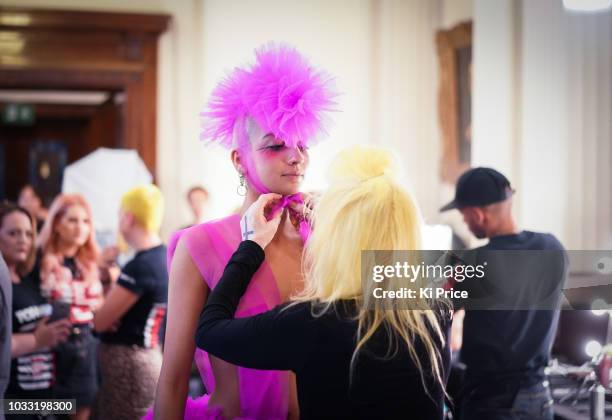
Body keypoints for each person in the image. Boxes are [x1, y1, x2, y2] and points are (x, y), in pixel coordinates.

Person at [196, 146, 452, 419]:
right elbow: (476, 273)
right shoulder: (435, 311)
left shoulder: (314, 322)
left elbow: (210, 330)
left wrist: (251, 245)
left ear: (336, 239)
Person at [151, 43, 337, 419]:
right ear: (240, 158)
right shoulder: (201, 243)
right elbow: (172, 379)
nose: (295, 156)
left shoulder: (326, 236)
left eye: (302, 144)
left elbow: (407, 295)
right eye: (275, 145)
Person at [440, 167, 566, 420]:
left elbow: (440, 315)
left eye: (464, 216)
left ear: (478, 214)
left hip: (492, 403)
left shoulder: (473, 262)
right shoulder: (553, 248)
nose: (464, 223)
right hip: (540, 398)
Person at [93, 185, 168, 420]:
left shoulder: (141, 266)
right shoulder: (163, 256)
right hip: (148, 355)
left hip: (130, 366)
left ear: (128, 218)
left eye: (119, 215)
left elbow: (100, 322)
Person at [0, 203, 72, 420]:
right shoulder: (3, 286)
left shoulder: (30, 280)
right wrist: (36, 339)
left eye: (29, 234)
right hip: (12, 402)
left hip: (45, 401)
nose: (23, 239)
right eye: (13, 233)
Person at [38, 194, 103, 420]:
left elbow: (99, 309)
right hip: (48, 351)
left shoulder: (92, 264)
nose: (81, 228)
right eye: (73, 220)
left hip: (85, 349)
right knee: (37, 411)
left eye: (86, 221)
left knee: (81, 412)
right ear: (56, 224)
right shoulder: (40, 260)